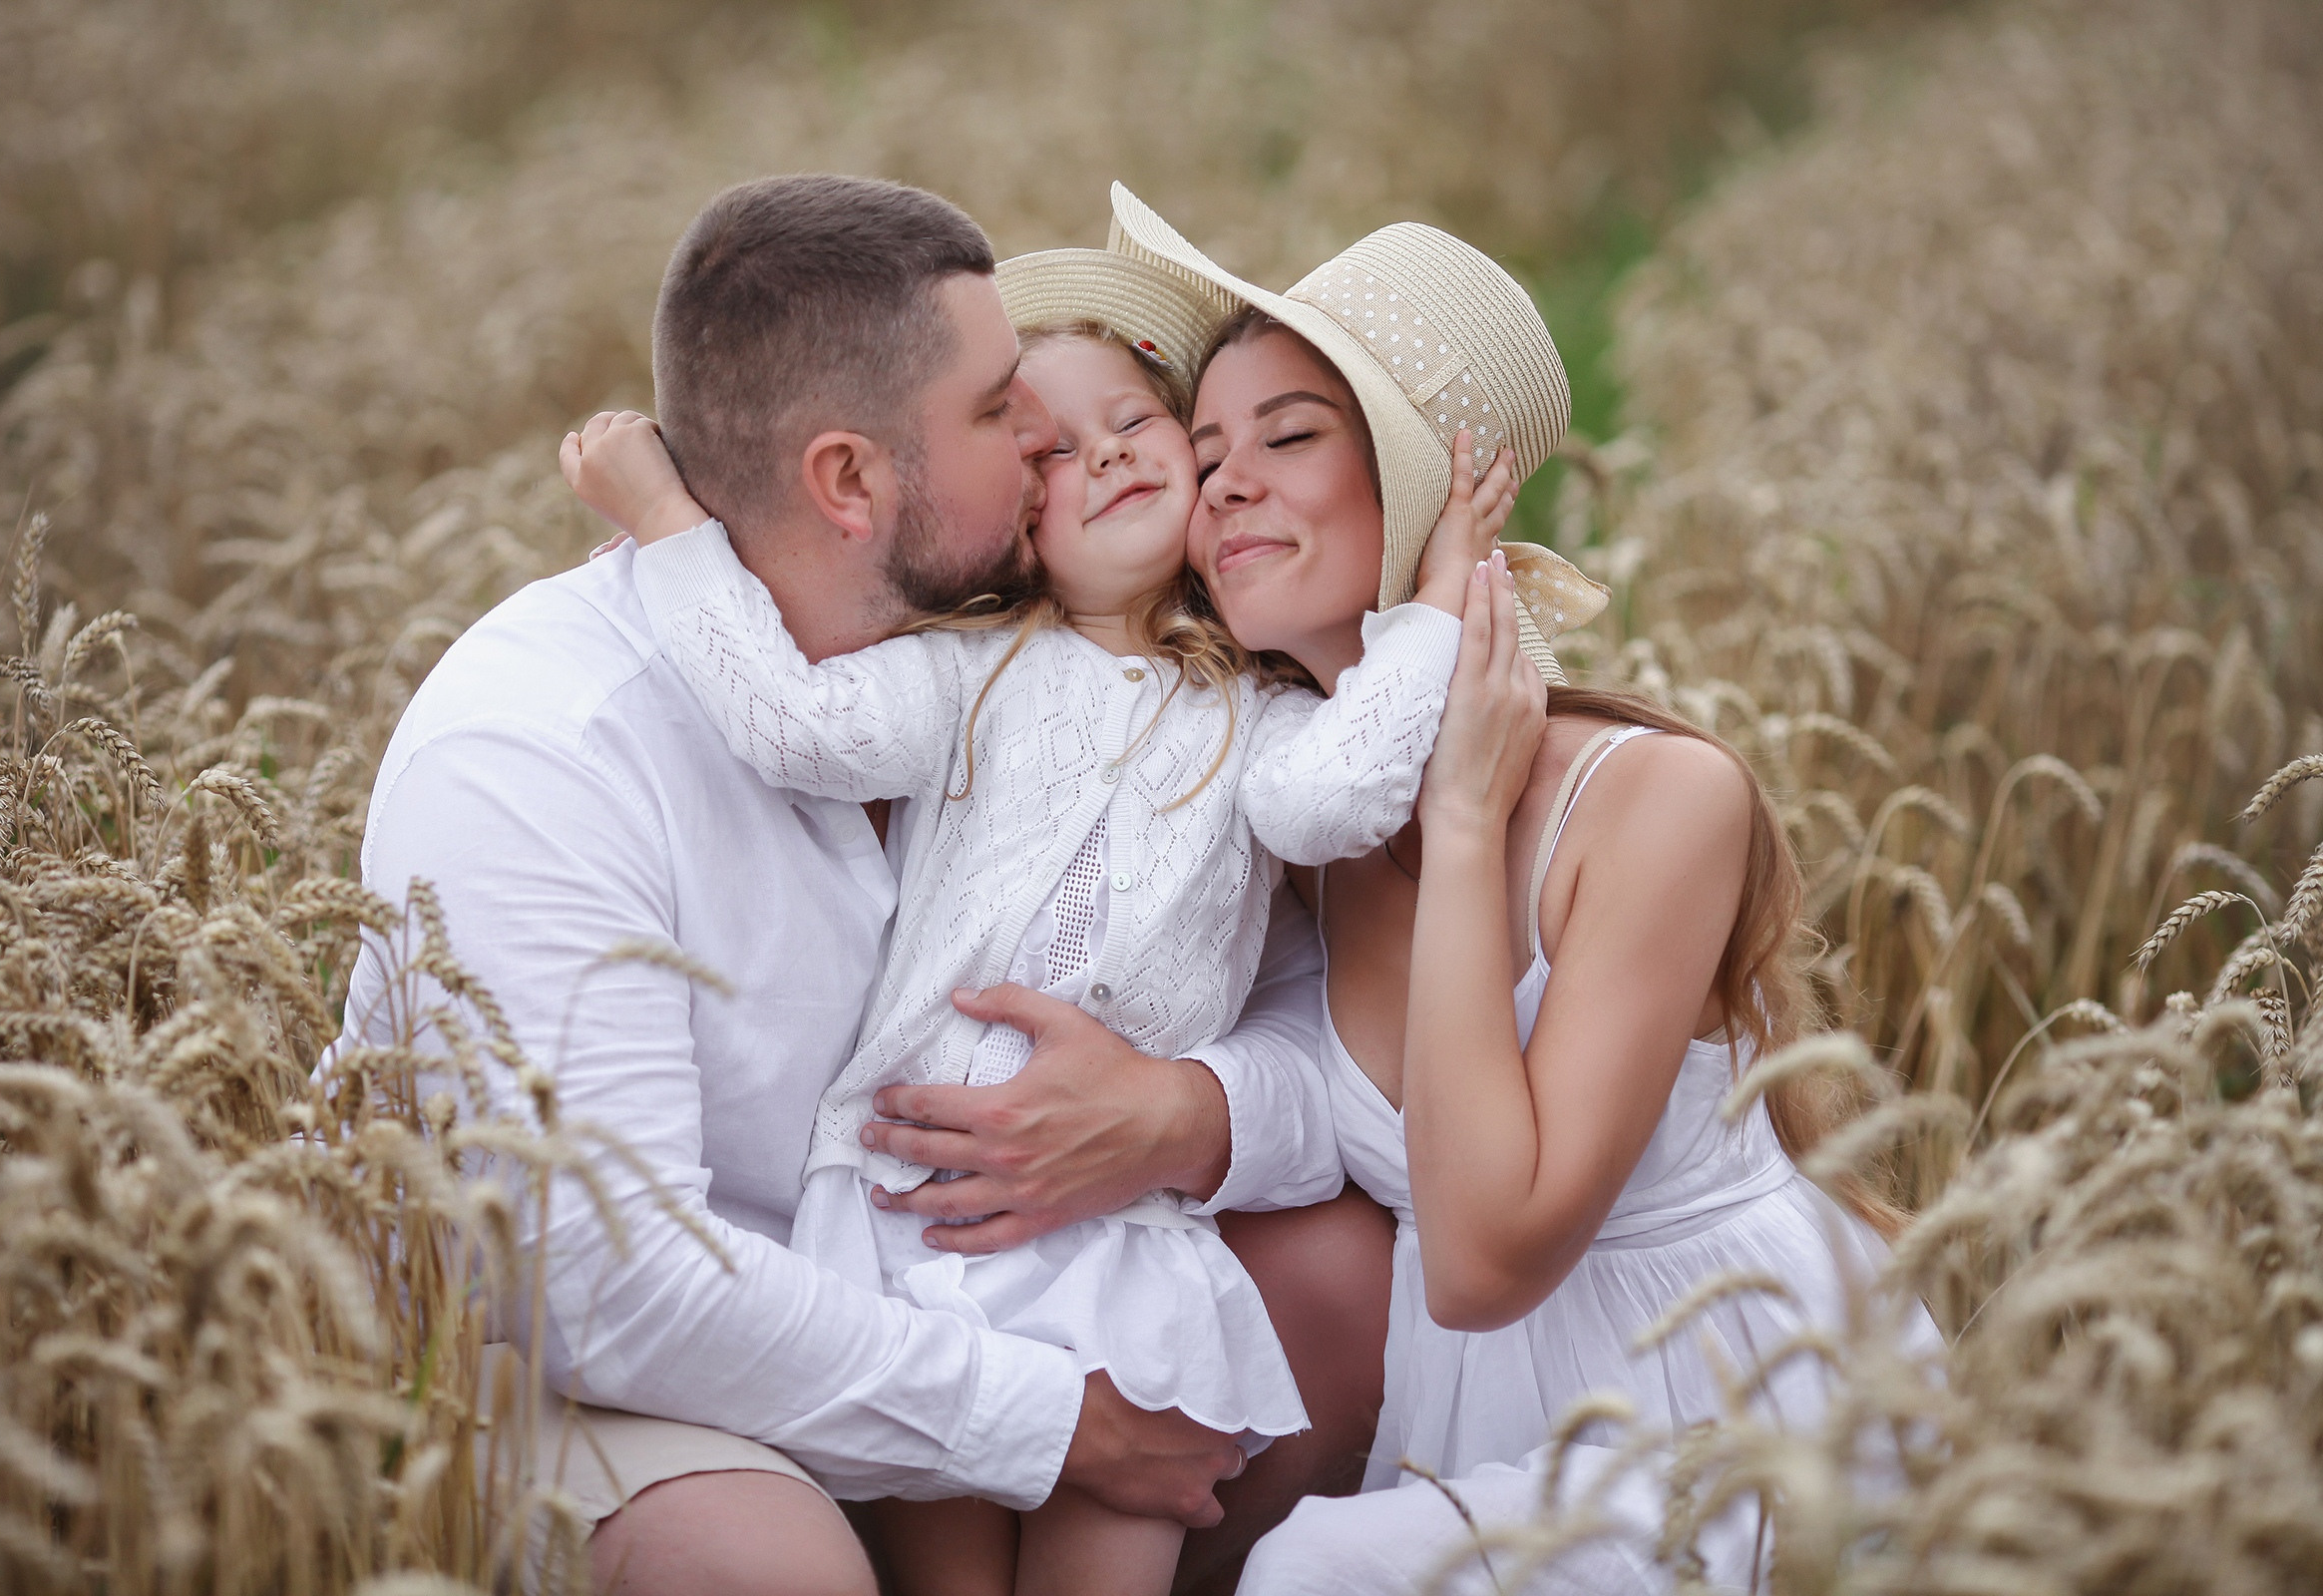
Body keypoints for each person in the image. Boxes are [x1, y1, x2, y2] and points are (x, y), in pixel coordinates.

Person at [329, 176, 1368, 1596]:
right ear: (851, 481)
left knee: (1340, 1270)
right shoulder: (541, 753)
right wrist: (1051, 1424)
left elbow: (1326, 1038)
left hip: (996, 1270)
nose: (1056, 444)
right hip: (631, 1371)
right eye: (1006, 412)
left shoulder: (1073, 667)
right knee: (772, 1570)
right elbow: (611, 1289)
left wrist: (1178, 1112)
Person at [562, 250, 1521, 1588]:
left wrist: (1428, 611)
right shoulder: (967, 675)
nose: (1112, 457)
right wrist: (668, 520)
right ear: (1017, 515)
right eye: (1058, 451)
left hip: (1126, 1252)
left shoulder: (1261, 725)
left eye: (1138, 425)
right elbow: (789, 721)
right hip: (914, 1220)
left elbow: (1333, 805)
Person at [1077, 187, 1936, 1591]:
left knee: (1314, 1574)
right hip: (1464, 1407)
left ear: (1419, 502)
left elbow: (1484, 1258)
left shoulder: (1658, 802)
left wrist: (1467, 818)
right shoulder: (1287, 818)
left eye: (1289, 438)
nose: (1222, 482)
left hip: (1709, 1404)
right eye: (1208, 450)